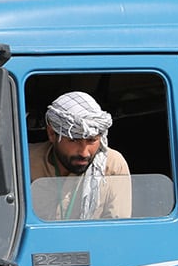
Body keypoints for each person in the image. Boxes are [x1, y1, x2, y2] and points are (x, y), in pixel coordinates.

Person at [29, 91, 132, 221]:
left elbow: (117, 228)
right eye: (74, 140)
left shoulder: (112, 165)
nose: (84, 153)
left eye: (91, 140)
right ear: (51, 134)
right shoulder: (25, 161)